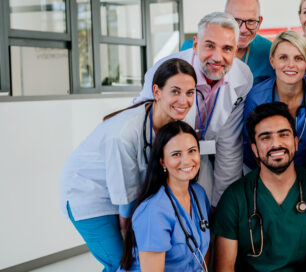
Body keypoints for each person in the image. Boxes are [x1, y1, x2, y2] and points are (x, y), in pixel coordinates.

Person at [59, 59, 197, 272]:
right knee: (123, 263)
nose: (184, 100)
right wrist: (128, 238)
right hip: (88, 194)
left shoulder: (175, 122)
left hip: (126, 197)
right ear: (157, 91)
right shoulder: (124, 133)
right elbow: (125, 197)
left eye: (190, 93)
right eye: (175, 91)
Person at [213, 102, 306, 271]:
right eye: (266, 138)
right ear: (254, 149)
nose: (276, 144)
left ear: (295, 142)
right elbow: (223, 268)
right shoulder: (235, 198)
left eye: (283, 135)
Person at [136, 12, 253, 207]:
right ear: (196, 45)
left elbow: (229, 144)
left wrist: (221, 205)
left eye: (227, 49)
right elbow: (145, 132)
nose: (217, 57)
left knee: (206, 211)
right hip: (160, 158)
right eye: (209, 46)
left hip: (200, 158)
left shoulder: (243, 77)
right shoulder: (164, 71)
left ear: (236, 50)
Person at [119, 121, 210, 271]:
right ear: (162, 162)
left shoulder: (198, 194)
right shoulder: (154, 211)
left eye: (192, 151)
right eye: (176, 154)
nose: (187, 160)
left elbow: (201, 253)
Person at [244, 31, 306, 173]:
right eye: (283, 58)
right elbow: (256, 150)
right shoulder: (256, 97)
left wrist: (303, 191)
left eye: (298, 58)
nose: (290, 65)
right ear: (272, 61)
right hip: (262, 169)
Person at [226, 0, 274, 85]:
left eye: (251, 21)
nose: (243, 30)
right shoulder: (200, 49)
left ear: (260, 22)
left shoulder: (270, 52)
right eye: (236, 20)